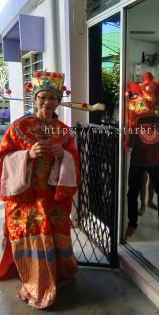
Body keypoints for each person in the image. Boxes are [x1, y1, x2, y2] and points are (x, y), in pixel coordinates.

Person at [0, 71, 80, 309]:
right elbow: (3, 157)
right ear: (34, 99)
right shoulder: (18, 127)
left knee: (54, 231)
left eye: (52, 98)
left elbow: (74, 161)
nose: (47, 102)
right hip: (26, 197)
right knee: (31, 230)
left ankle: (55, 274)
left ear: (59, 100)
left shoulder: (64, 131)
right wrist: (26, 155)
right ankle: (35, 279)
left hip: (53, 197)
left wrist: (63, 156)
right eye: (42, 97)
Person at [125, 72, 159, 237]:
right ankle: (132, 223)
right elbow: (130, 144)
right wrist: (130, 129)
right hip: (137, 161)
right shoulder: (136, 121)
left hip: (157, 161)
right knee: (132, 193)